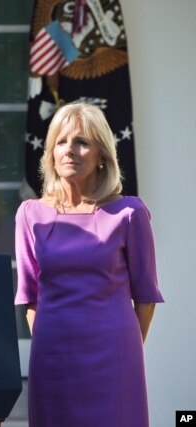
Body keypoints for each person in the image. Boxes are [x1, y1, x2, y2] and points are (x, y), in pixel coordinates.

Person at [14, 102, 164, 426]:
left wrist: (126, 351)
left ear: (101, 156)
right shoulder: (30, 214)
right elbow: (30, 298)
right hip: (52, 359)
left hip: (115, 358)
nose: (71, 150)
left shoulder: (130, 213)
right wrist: (50, 345)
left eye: (82, 142)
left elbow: (147, 298)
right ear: (51, 152)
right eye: (62, 141)